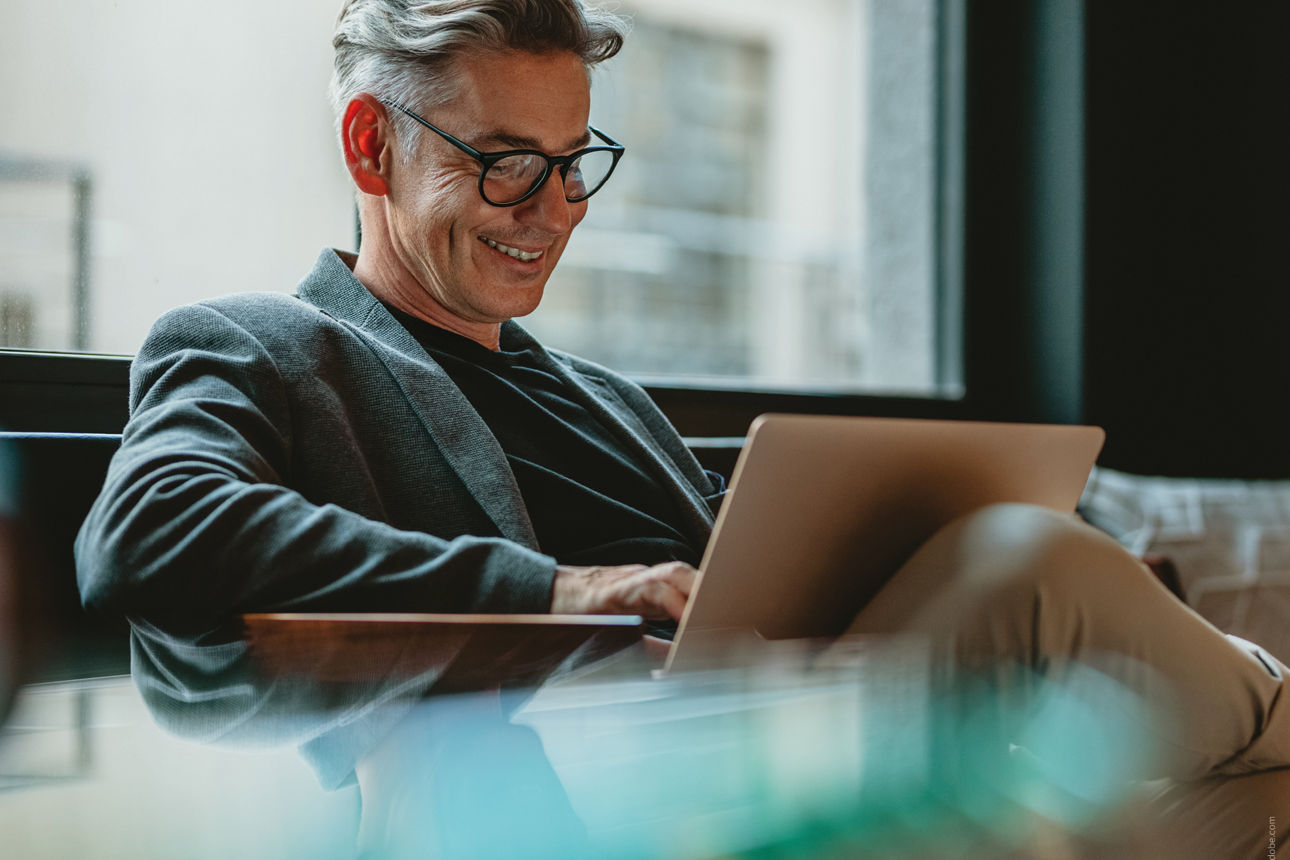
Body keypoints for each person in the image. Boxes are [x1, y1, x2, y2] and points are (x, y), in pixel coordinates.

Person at [74, 0, 1287, 854]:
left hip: (793, 730)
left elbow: (753, 572)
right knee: (1022, 562)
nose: (554, 210)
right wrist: (562, 591)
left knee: (1228, 807)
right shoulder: (258, 344)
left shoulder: (609, 399)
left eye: (574, 162)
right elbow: (153, 532)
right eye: (507, 162)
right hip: (585, 785)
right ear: (369, 143)